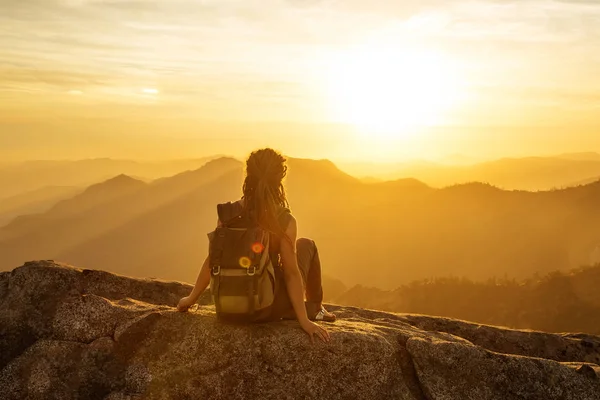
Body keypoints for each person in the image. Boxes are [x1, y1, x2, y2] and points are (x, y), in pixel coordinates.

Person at [177, 148, 335, 343]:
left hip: (227, 309)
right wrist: (304, 321)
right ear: (279, 179)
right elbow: (291, 273)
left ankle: (311, 309)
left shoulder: (228, 214)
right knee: (307, 245)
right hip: (264, 310)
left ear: (248, 176)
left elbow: (213, 260)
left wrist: (190, 299)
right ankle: (316, 309)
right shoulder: (283, 220)